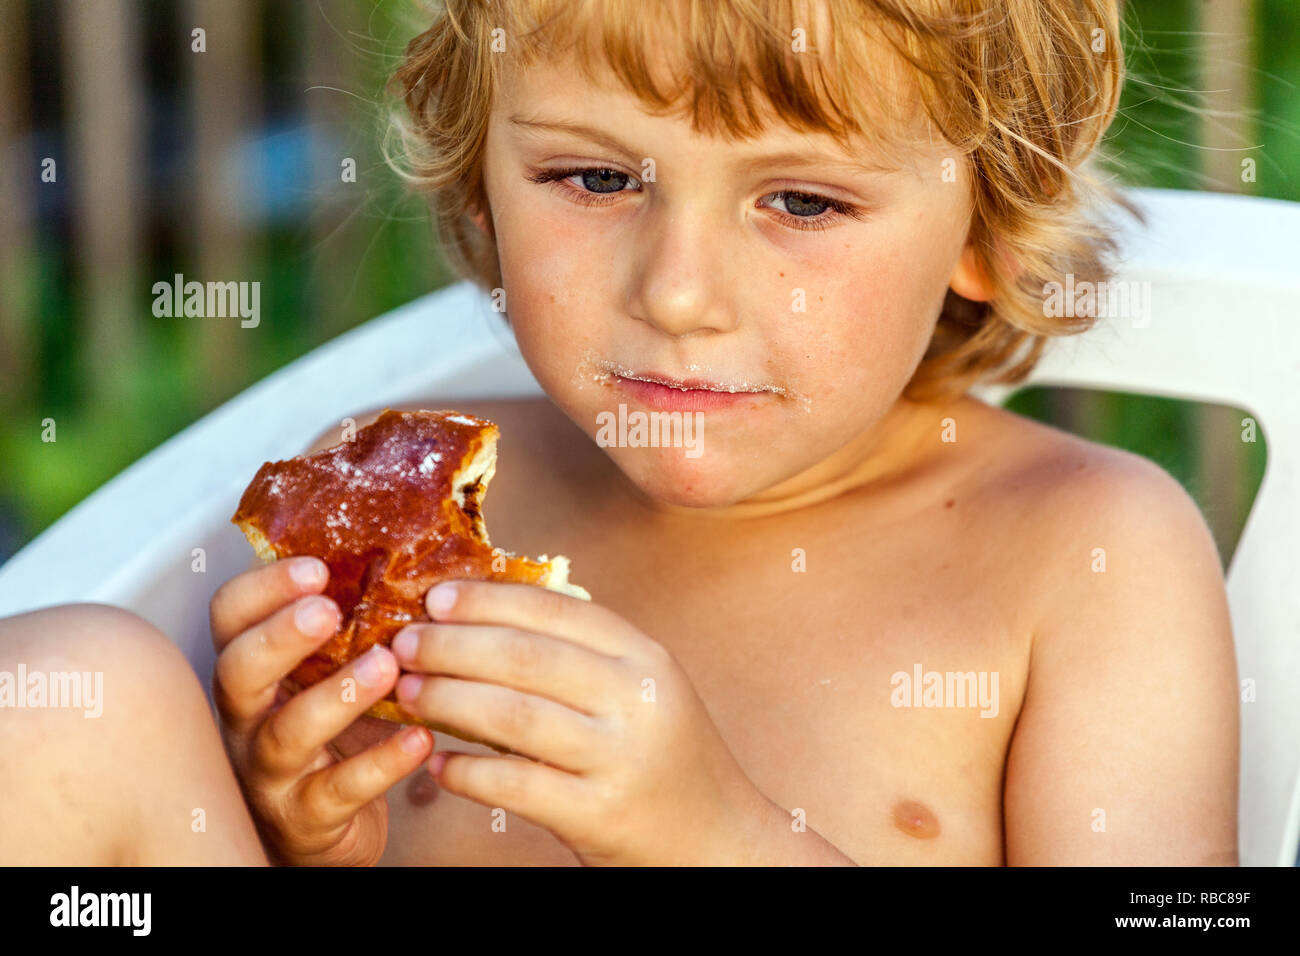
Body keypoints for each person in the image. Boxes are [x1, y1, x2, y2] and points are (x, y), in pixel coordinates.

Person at [0, 0, 1238, 865]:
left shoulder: (1083, 554)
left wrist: (716, 838)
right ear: (479, 179)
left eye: (801, 199)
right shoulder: (406, 488)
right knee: (76, 695)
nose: (677, 291)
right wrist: (293, 824)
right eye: (595, 179)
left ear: (988, 226)